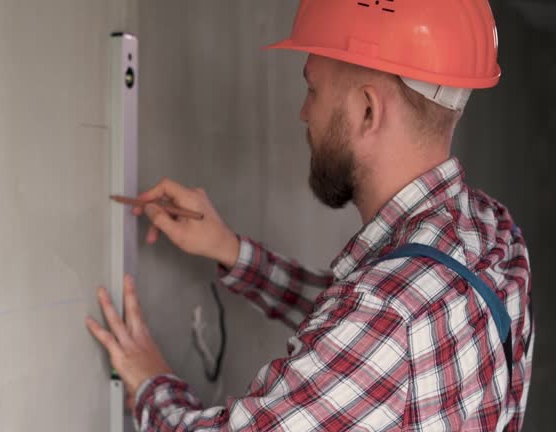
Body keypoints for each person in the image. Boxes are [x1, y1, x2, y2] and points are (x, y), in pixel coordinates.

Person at [86, 0, 534, 430]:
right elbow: (361, 332)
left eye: (312, 89)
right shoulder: (493, 233)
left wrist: (150, 384)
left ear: (366, 111)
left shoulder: (387, 315)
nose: (304, 113)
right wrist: (233, 251)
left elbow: (372, 328)